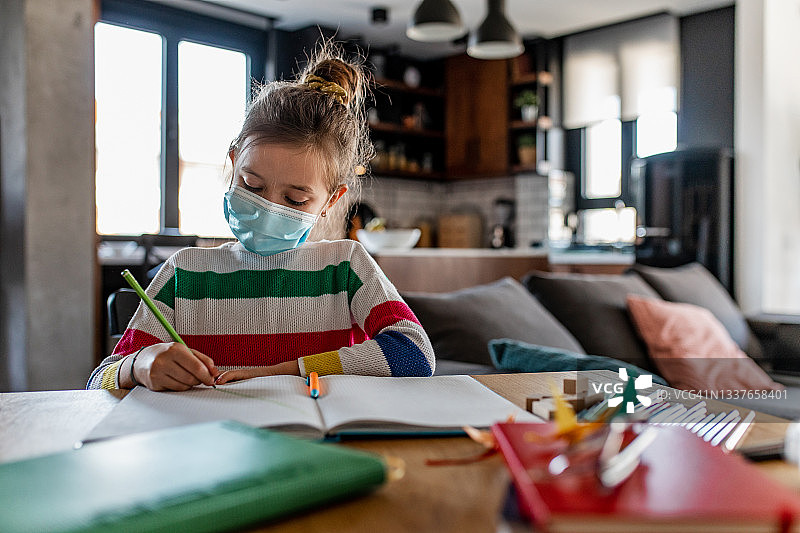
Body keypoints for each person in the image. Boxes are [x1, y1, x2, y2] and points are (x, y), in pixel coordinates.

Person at [87, 42, 434, 391]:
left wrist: (291, 370)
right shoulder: (184, 273)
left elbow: (415, 354)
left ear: (331, 201)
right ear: (234, 162)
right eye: (252, 185)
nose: (268, 208)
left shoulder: (345, 267)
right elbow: (97, 382)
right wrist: (138, 365)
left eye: (295, 199)